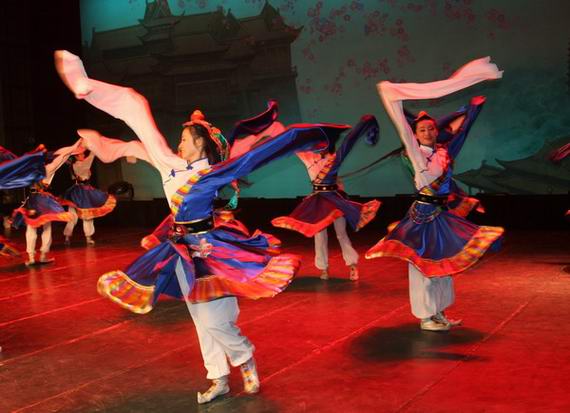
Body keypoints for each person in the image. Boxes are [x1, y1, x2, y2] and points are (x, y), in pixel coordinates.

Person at [56, 49, 346, 403]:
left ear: (200, 144)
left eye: (185, 139)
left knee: (213, 319)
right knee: (200, 317)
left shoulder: (211, 172)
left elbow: (254, 157)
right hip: (181, 249)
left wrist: (298, 137)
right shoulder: (169, 164)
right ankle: (218, 377)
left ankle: (244, 357)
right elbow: (136, 121)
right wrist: (93, 109)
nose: (178, 143)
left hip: (212, 250)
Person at [366, 57, 504, 331]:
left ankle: (440, 312)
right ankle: (425, 316)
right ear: (415, 134)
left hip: (441, 214)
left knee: (444, 264)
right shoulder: (415, 154)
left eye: (431, 128)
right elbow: (403, 128)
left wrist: (473, 111)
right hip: (421, 216)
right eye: (422, 130)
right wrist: (391, 97)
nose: (427, 132)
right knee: (423, 266)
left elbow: (459, 138)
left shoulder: (442, 153)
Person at [271, 115, 381, 280]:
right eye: (318, 143)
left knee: (341, 233)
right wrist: (276, 128)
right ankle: (323, 268)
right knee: (319, 236)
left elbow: (346, 150)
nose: (321, 146)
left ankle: (352, 266)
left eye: (324, 143)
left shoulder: (334, 158)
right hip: (318, 201)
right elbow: (293, 144)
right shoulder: (309, 157)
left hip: (334, 200)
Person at [12, 141, 81, 265]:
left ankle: (42, 255)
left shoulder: (47, 169)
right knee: (33, 227)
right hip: (34, 199)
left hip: (42, 200)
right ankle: (32, 257)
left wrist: (74, 148)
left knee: (43, 227)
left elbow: (61, 159)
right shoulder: (30, 170)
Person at [62, 149, 116, 245]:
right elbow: (92, 156)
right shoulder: (82, 164)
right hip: (83, 192)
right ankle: (87, 237)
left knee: (73, 215)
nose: (83, 155)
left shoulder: (73, 165)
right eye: (81, 154)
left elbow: (74, 177)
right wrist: (93, 145)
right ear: (76, 157)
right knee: (87, 215)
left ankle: (67, 237)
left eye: (83, 154)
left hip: (76, 192)